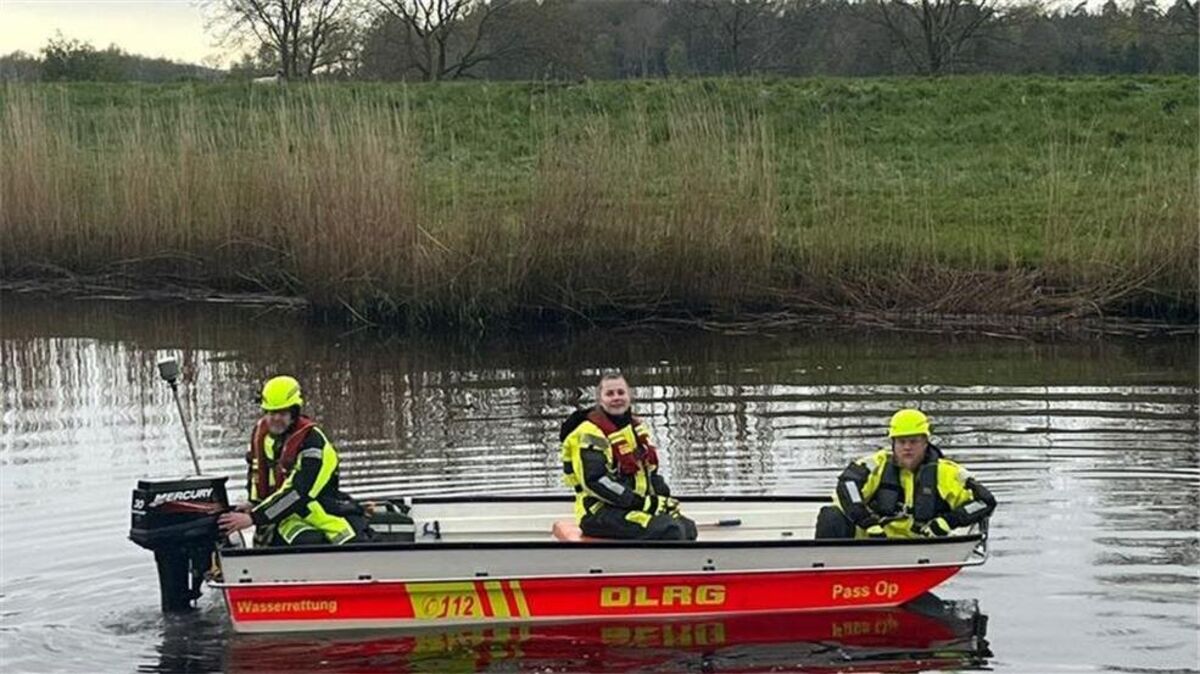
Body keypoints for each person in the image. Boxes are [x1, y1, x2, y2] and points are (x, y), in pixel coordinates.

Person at [218, 375, 361, 546]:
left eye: (282, 413)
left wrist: (254, 517)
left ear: (294, 414)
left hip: (317, 514)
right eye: (271, 412)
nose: (275, 418)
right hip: (280, 514)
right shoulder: (262, 436)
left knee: (305, 540)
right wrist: (253, 504)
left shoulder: (312, 444)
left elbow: (297, 493)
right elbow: (257, 473)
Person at [815, 408, 996, 540]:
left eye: (913, 441)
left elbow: (984, 502)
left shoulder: (947, 473)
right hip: (872, 541)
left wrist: (948, 521)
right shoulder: (876, 465)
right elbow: (848, 487)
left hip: (916, 547)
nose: (907, 447)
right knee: (831, 515)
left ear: (925, 443)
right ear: (893, 443)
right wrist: (867, 522)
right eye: (901, 442)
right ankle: (824, 575)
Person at [559, 370, 697, 541]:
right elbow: (596, 480)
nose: (616, 397)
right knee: (671, 530)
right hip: (599, 512)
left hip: (627, 507)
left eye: (621, 392)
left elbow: (650, 474)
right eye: (610, 394)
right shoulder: (590, 432)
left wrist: (662, 501)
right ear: (600, 399)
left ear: (629, 396)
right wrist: (642, 504)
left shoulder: (634, 429)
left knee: (688, 528)